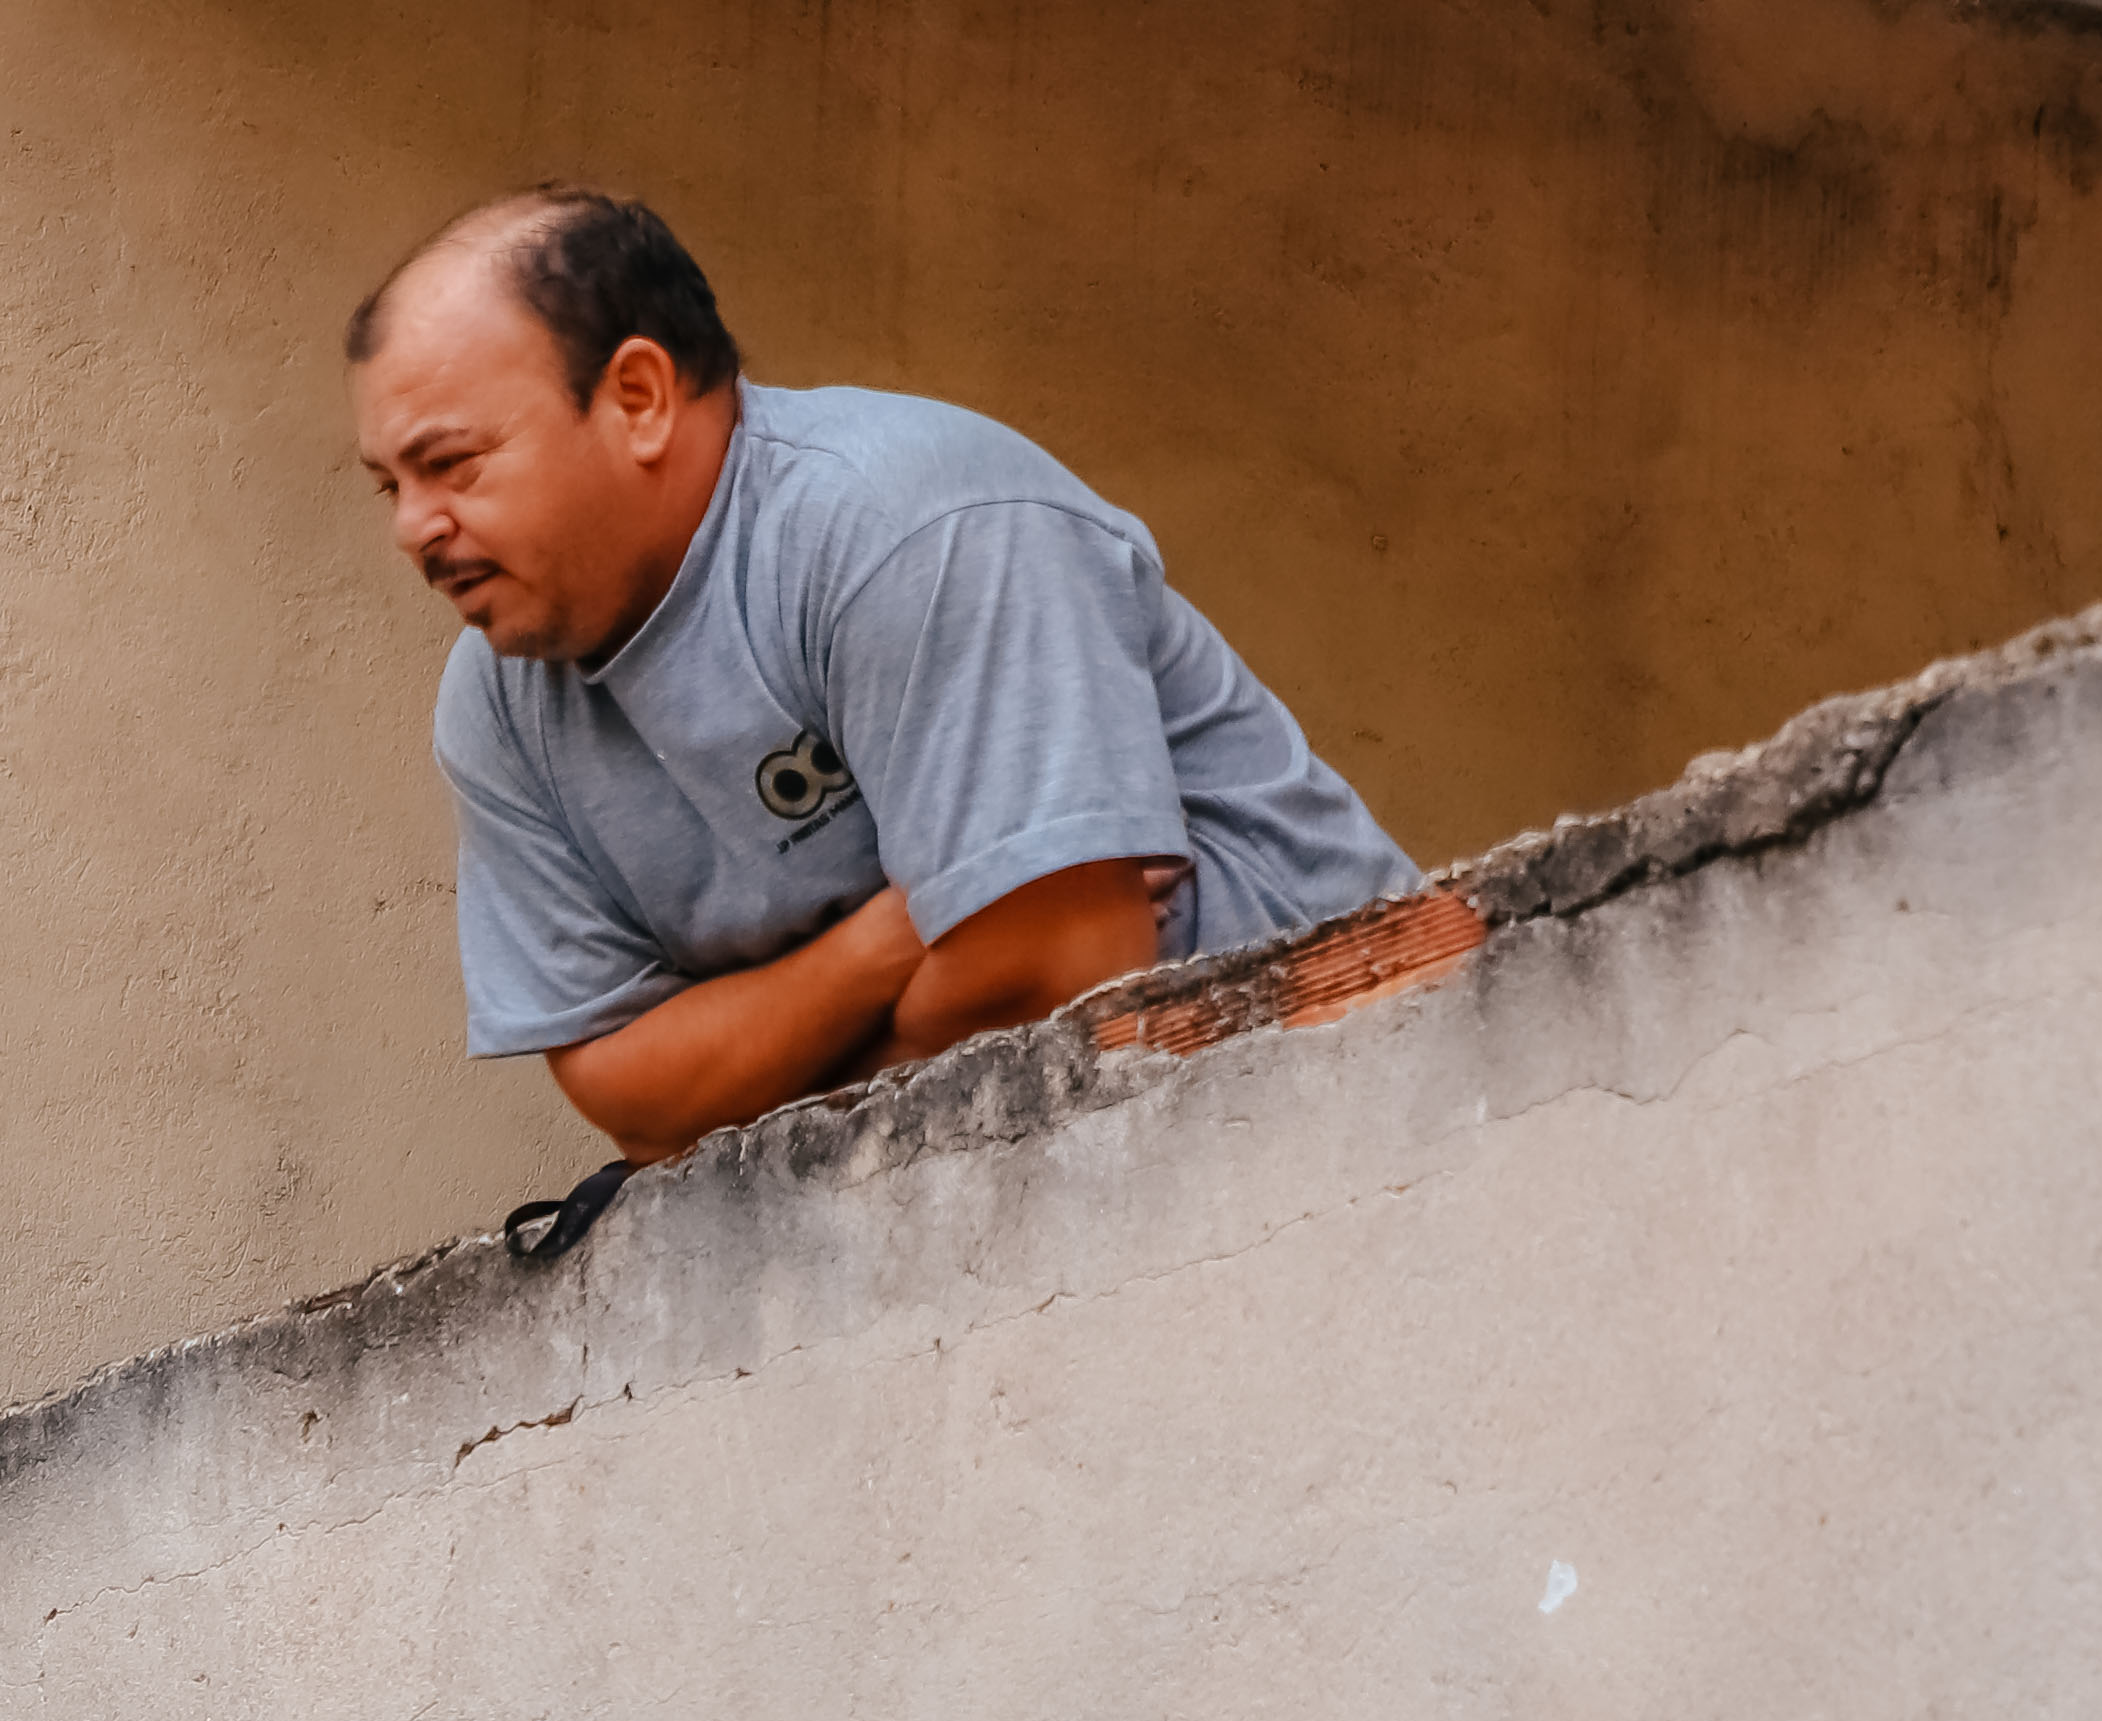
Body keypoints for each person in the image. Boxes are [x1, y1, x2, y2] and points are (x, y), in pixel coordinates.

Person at [347, 186, 1419, 1164]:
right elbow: (630, 1095)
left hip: (1374, 1090)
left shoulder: (906, 522)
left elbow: (1057, 978)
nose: (412, 528)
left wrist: (752, 1089)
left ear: (637, 397)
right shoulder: (497, 702)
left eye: (452, 464)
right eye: (388, 483)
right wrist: (894, 935)